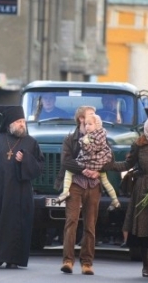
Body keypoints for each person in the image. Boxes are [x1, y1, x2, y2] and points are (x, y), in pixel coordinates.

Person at [103, 116, 148, 279]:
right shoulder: (139, 145)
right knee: (143, 229)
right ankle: (145, 264)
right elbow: (128, 164)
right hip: (142, 188)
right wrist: (109, 165)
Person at [0, 106, 44, 269]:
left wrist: (26, 159)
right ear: (9, 124)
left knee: (15, 225)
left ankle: (13, 259)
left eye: (23, 121)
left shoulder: (31, 142)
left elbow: (39, 167)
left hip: (19, 194)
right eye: (18, 122)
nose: (22, 124)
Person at [57, 106, 105, 276]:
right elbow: (66, 161)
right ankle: (68, 261)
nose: (95, 117)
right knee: (71, 222)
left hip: (93, 186)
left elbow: (109, 158)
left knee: (90, 225)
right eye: (90, 115)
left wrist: (98, 169)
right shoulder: (70, 139)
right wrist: (85, 169)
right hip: (75, 184)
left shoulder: (101, 136)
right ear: (81, 120)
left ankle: (87, 263)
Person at [57, 114, 120, 210]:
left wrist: (84, 142)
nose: (87, 127)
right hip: (100, 163)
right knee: (106, 181)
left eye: (90, 124)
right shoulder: (103, 134)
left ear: (97, 125)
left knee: (68, 172)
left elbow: (90, 151)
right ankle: (115, 200)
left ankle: (65, 192)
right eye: (86, 124)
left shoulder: (92, 136)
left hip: (91, 162)